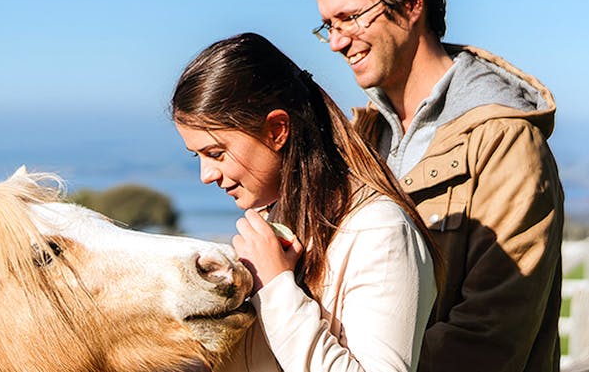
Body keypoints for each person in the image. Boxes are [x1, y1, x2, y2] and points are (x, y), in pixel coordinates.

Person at [303, 0, 564, 372]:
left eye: (349, 18)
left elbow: (492, 334)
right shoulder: (359, 139)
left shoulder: (505, 140)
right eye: (328, 25)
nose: (337, 42)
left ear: (410, 2)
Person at [171, 32, 439, 371]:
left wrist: (277, 288)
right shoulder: (273, 227)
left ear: (277, 130)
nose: (205, 174)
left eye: (216, 153)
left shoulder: (381, 232)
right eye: (197, 156)